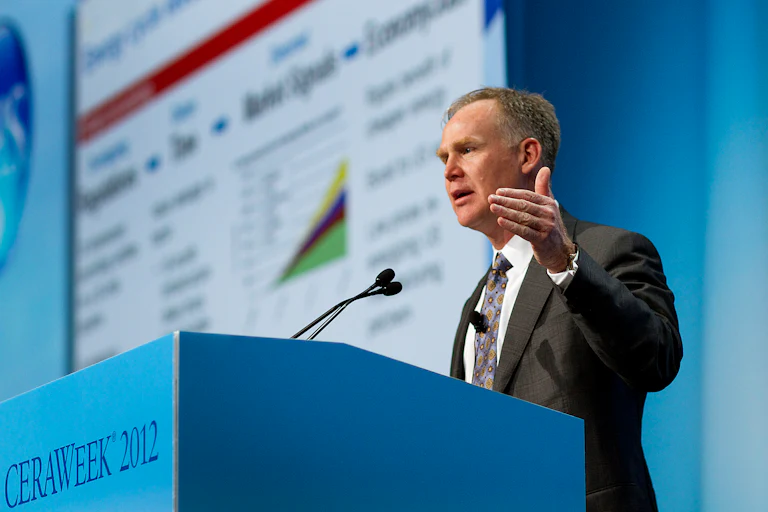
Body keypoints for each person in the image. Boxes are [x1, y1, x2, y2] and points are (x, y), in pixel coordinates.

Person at [437, 87, 682, 512]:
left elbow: (656, 359)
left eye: (468, 150)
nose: (450, 171)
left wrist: (564, 262)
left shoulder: (608, 250)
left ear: (528, 155)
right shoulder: (475, 302)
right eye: (444, 158)